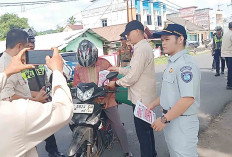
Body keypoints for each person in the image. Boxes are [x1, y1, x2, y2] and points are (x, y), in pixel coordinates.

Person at [0, 47, 74, 157]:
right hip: (31, 113)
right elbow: (64, 109)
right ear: (20, 47)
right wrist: (58, 71)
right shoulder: (18, 113)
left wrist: (7, 72)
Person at [148, 24, 201, 157]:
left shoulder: (185, 65)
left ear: (180, 39)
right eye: (162, 39)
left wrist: (164, 120)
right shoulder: (173, 62)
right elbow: (170, 92)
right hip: (172, 119)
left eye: (167, 39)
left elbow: (187, 99)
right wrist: (153, 104)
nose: (163, 43)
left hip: (182, 123)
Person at [73, 39, 132, 157]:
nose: (87, 66)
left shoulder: (105, 63)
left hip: (107, 98)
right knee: (76, 121)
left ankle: (127, 151)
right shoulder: (78, 68)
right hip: (88, 101)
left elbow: (114, 81)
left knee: (117, 125)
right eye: (85, 64)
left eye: (90, 63)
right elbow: (76, 84)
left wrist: (107, 97)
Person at [107, 20, 157, 157]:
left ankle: (148, 154)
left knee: (143, 133)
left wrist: (115, 84)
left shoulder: (141, 49)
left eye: (128, 34)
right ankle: (152, 153)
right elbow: (133, 70)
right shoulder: (143, 47)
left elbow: (133, 77)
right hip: (146, 97)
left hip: (141, 99)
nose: (127, 37)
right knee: (148, 130)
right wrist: (118, 69)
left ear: (137, 32)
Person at [21, 34, 65, 157]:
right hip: (28, 101)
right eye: (28, 43)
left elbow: (45, 78)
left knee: (48, 128)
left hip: (43, 99)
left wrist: (48, 91)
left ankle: (53, 151)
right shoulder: (19, 64)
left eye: (32, 43)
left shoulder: (39, 61)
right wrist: (35, 96)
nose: (31, 45)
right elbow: (19, 89)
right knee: (29, 133)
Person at [221, 22, 232, 89]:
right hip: (230, 54)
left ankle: (229, 83)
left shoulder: (225, 33)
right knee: (231, 70)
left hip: (225, 54)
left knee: (229, 69)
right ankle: (229, 84)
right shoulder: (231, 33)